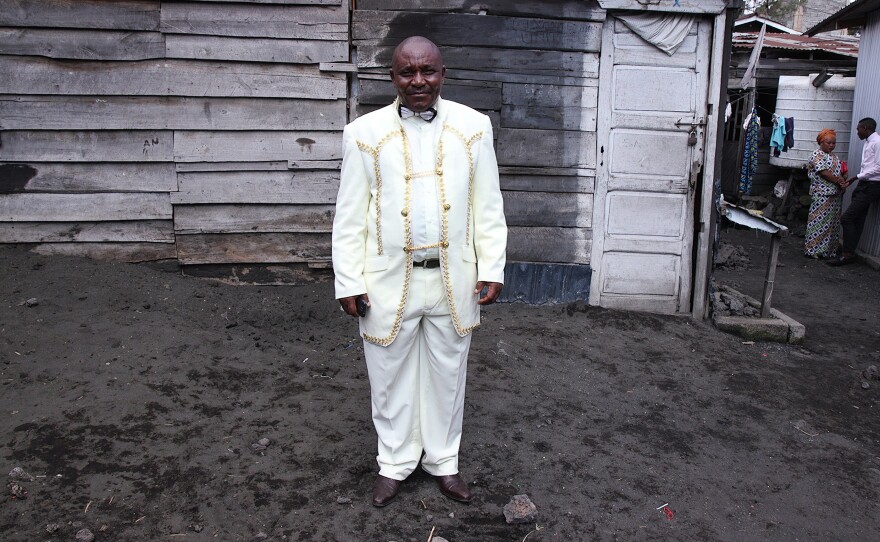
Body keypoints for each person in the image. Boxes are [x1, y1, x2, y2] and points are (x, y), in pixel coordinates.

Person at [331, 36, 507, 507]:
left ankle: (444, 462)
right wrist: (349, 280)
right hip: (388, 280)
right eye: (407, 72)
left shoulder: (474, 128)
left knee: (449, 373)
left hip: (455, 278)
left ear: (443, 74)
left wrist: (492, 267)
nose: (418, 81)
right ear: (392, 77)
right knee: (388, 375)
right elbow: (350, 216)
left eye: (427, 71)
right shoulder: (363, 133)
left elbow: (487, 206)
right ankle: (393, 463)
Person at [828, 117, 880, 266]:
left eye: (858, 129)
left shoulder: (877, 142)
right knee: (857, 218)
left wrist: (856, 177)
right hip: (865, 183)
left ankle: (848, 253)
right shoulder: (869, 142)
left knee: (847, 218)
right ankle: (849, 252)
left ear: (866, 128)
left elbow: (878, 167)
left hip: (872, 185)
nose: (857, 132)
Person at [804, 129, 848, 259]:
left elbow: (840, 171)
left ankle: (828, 251)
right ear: (821, 142)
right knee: (818, 222)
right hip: (822, 194)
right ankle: (813, 250)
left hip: (835, 195)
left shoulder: (835, 157)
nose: (831, 145)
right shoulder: (816, 155)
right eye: (829, 143)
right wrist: (839, 181)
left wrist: (843, 178)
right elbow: (824, 172)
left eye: (834, 143)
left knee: (832, 224)